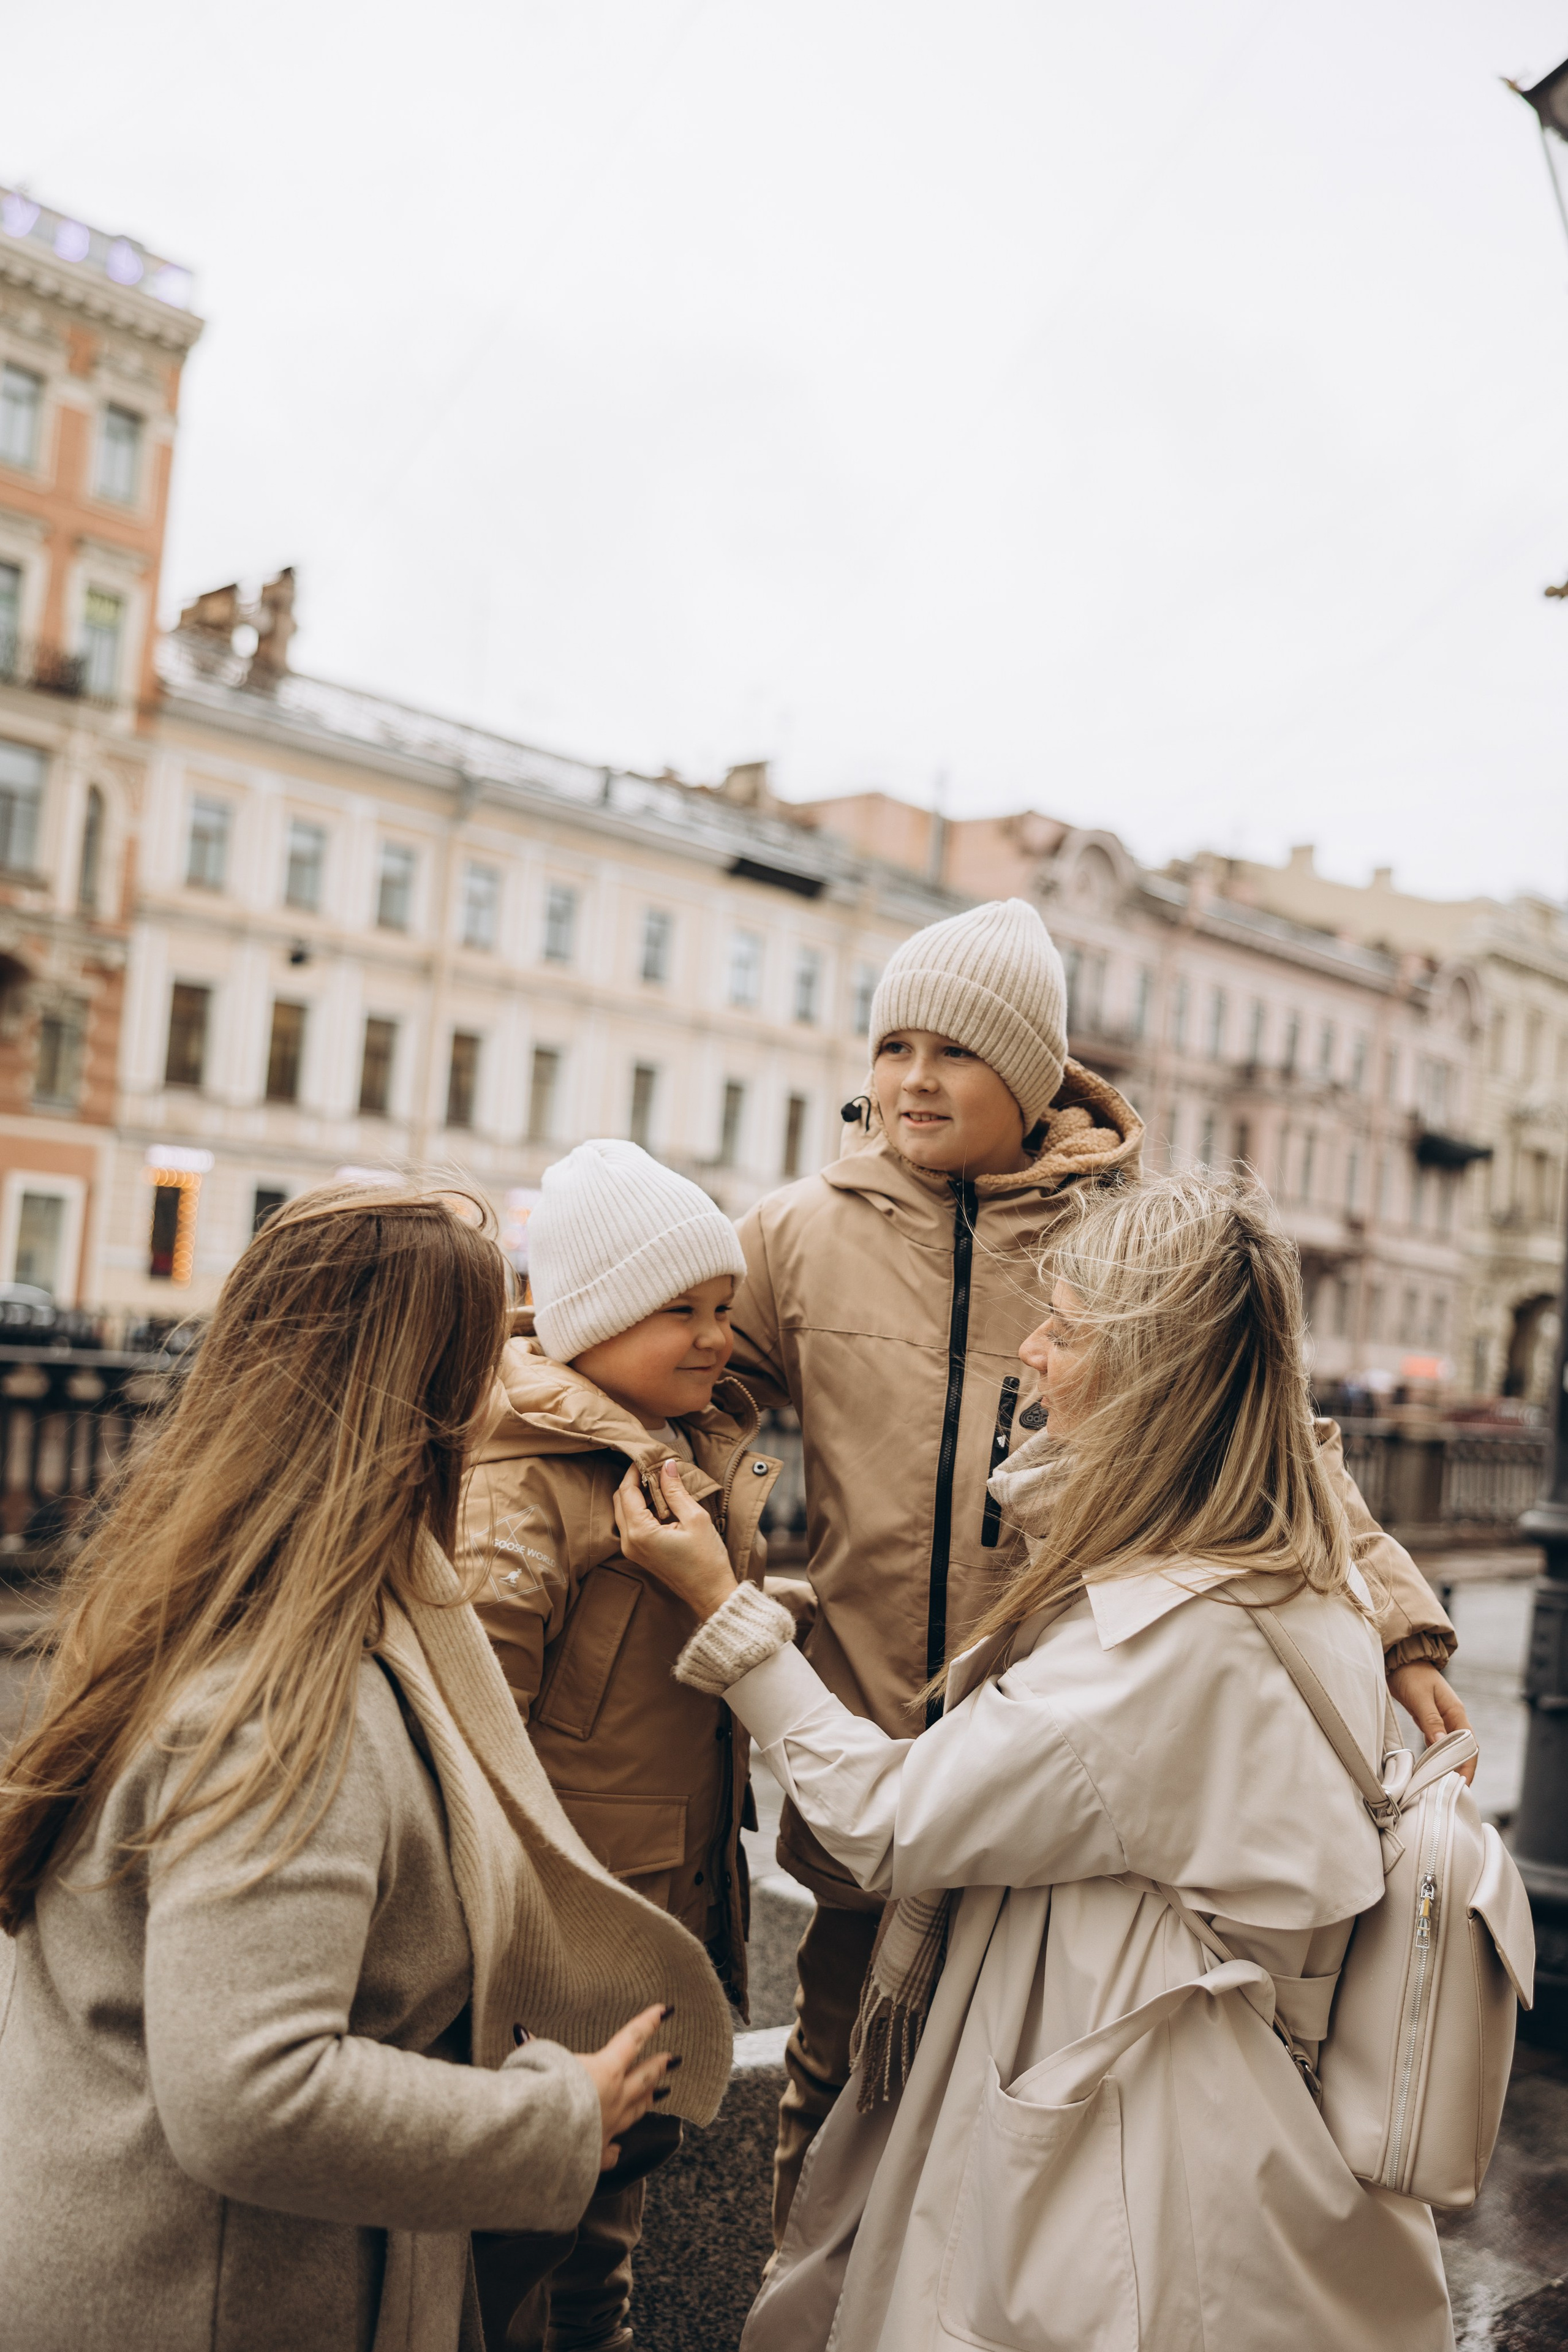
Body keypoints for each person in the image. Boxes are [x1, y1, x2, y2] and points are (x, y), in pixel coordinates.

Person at [726, 894, 1468, 2236]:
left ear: (1029, 1075)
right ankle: (810, 2299)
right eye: (891, 1047)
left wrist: (1402, 1630)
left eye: (953, 1052)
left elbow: (1276, 1437)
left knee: (1016, 2083)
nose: (911, 1080)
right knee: (835, 2074)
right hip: (876, 1713)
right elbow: (693, 1384)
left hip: (1068, 1743)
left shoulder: (1127, 1237)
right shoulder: (799, 1232)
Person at [619, 1173, 1458, 2351]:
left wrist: (725, 1609)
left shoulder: (1157, 1647)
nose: (1031, 1350)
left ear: (1151, 1376)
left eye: (1064, 1329)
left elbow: (882, 1821)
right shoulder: (1298, 1574)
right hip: (1239, 2115)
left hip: (1132, 2143)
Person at [0, 1182, 734, 2352]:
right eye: (485, 1354)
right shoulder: (286, 1705)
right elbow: (253, 2094)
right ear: (434, 1401)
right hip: (216, 2300)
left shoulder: (216, 1592)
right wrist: (558, 2117)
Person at [459, 1141, 783, 2352]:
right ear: (590, 1318)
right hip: (564, 1930)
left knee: (606, 2235)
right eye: (678, 1311)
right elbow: (477, 1731)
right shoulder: (522, 1486)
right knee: (527, 2251)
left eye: (723, 1309)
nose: (716, 1338)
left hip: (656, 1905)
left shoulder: (673, 1452)